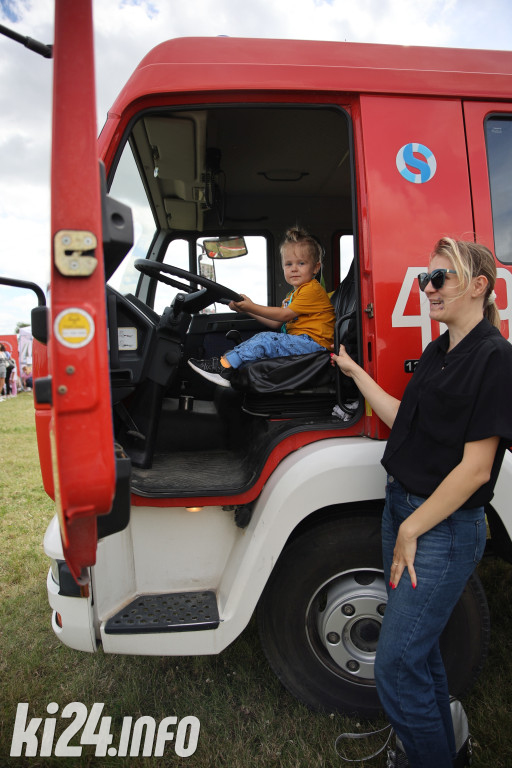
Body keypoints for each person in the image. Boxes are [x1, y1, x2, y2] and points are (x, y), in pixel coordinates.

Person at [331, 237, 512, 768]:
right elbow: (400, 418)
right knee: (421, 650)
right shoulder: (440, 351)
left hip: (443, 528)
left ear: (480, 286)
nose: (427, 289)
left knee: (395, 663)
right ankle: (438, 750)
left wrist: (412, 531)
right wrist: (356, 373)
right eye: (424, 279)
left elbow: (477, 469)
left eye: (440, 279)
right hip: (403, 509)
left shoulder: (495, 359)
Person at [188, 226, 335, 387]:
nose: (294, 268)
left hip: (315, 345)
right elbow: (276, 323)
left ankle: (223, 368)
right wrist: (247, 309)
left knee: (265, 339)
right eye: (288, 264)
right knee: (263, 337)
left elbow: (283, 316)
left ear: (315, 267)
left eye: (301, 263)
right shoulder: (291, 296)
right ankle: (226, 363)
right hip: (302, 343)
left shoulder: (312, 290)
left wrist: (251, 306)